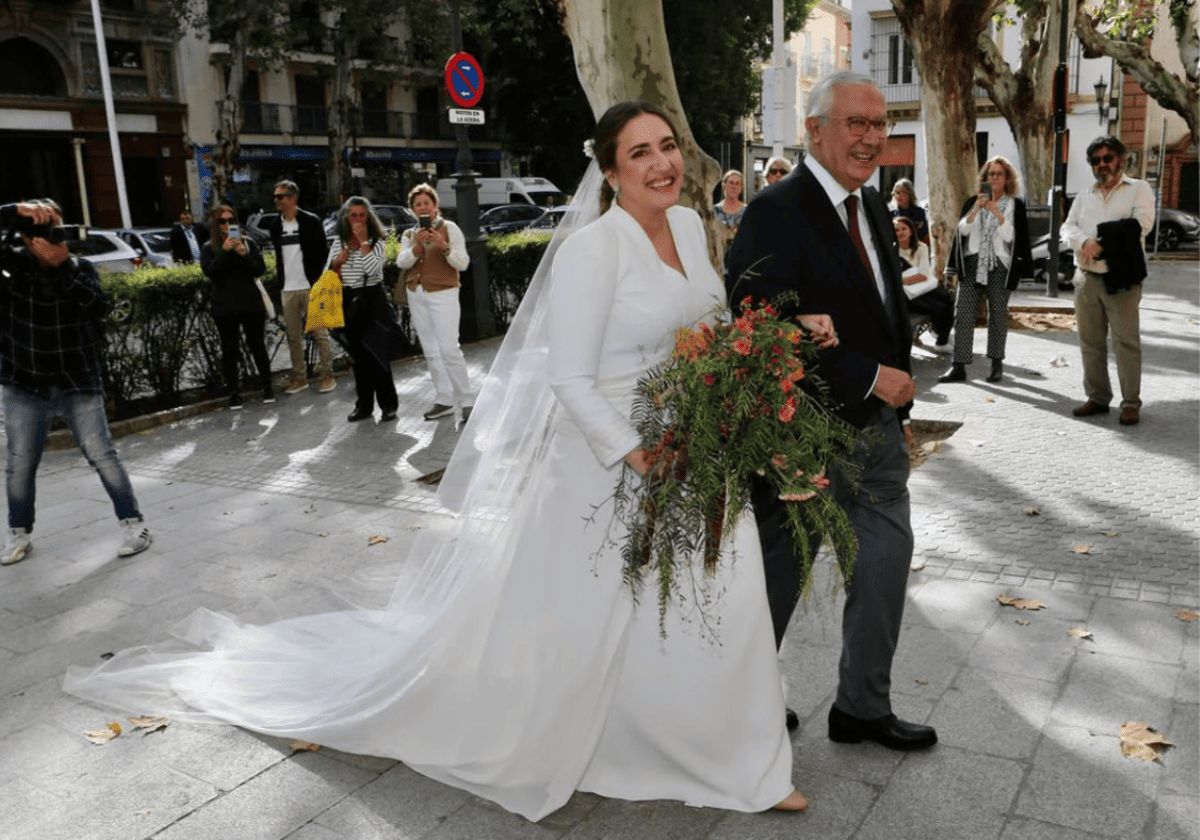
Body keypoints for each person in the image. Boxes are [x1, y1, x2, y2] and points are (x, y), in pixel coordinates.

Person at [64, 101, 813, 820]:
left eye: (668, 146)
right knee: (606, 616)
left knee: (725, 594)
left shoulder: (690, 225)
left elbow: (710, 328)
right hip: (611, 462)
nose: (661, 163)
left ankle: (741, 757)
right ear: (610, 173)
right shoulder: (591, 250)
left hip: (699, 448)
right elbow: (570, 379)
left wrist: (758, 357)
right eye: (639, 152)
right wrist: (638, 454)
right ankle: (661, 744)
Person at [727, 71, 935, 752]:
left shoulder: (873, 207)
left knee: (884, 563)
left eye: (879, 125)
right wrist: (870, 376)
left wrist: (894, 406)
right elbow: (758, 322)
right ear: (814, 131)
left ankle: (862, 707)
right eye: (856, 123)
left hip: (876, 435)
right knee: (779, 575)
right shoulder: (774, 210)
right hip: (799, 436)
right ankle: (744, 701)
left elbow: (881, 310)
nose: (872, 137)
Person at [0, 200, 152, 566]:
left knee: (101, 453)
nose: (46, 235)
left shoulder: (80, 268)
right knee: (20, 462)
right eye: (39, 228)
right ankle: (19, 533)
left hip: (76, 380)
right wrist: (16, 211)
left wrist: (61, 266)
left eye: (53, 226)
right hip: (24, 382)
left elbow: (97, 307)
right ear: (24, 234)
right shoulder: (12, 267)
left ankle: (134, 525)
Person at [1061, 136, 1155, 426]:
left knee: (1126, 342)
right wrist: (1083, 241)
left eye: (1107, 158)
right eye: (1096, 160)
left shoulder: (1138, 188)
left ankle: (1130, 403)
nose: (1102, 164)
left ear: (1120, 159)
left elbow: (1142, 224)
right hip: (1087, 278)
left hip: (1123, 279)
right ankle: (1098, 398)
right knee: (1090, 342)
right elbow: (1067, 227)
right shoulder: (1084, 194)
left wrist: (1100, 243)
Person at [938, 156, 1033, 385]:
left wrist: (996, 212)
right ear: (985, 178)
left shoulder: (1014, 205)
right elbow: (962, 231)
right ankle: (958, 366)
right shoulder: (973, 201)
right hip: (972, 263)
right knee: (964, 312)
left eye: (999, 174)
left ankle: (996, 364)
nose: (995, 178)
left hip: (999, 264)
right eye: (991, 174)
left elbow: (1011, 237)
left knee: (998, 314)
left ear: (1007, 178)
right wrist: (976, 210)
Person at [396, 185, 474, 422]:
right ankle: (444, 399)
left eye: (426, 203)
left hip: (443, 293)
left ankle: (467, 400)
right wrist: (416, 248)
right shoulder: (409, 235)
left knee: (449, 348)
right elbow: (402, 262)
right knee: (430, 349)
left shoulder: (450, 229)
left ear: (435, 205)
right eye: (417, 204)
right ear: (412, 210)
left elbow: (462, 264)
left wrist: (443, 246)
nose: (423, 208)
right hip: (416, 293)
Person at [328, 197, 399, 423]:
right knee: (359, 358)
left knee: (378, 354)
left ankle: (388, 405)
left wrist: (363, 243)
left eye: (362, 215)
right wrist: (338, 261)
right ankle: (364, 406)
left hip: (372, 301)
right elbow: (327, 273)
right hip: (350, 302)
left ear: (368, 218)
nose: (357, 219)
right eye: (353, 215)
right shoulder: (339, 242)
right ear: (346, 219)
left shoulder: (377, 240)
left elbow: (375, 268)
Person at [264, 180, 336, 396]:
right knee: (293, 336)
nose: (277, 200)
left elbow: (323, 255)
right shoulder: (275, 226)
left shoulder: (311, 222)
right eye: (275, 196)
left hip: (310, 286)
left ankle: (328, 376)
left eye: (281, 196)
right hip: (288, 288)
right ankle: (300, 378)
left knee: (320, 333)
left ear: (293, 198)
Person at [202, 204, 274, 410]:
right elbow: (211, 272)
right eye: (222, 221)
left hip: (250, 304)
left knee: (257, 346)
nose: (227, 225)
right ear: (216, 225)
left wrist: (244, 254)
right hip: (225, 308)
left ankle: (268, 387)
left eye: (231, 221)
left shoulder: (249, 243)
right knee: (229, 350)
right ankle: (234, 393)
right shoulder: (209, 248)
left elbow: (259, 270)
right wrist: (224, 252)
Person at [894, 215, 953, 347]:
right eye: (896, 230)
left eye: (904, 228)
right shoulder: (892, 251)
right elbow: (893, 279)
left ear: (911, 230)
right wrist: (911, 279)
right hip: (908, 294)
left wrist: (903, 279)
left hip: (924, 287)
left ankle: (940, 332)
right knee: (939, 308)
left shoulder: (921, 247)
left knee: (948, 299)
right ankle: (941, 342)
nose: (900, 232)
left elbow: (924, 275)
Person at [713, 169, 747, 249]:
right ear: (724, 185)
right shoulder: (714, 211)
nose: (734, 187)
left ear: (741, 187)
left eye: (737, 184)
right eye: (731, 183)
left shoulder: (747, 211)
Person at [890, 178, 929, 245]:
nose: (900, 196)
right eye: (897, 193)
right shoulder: (891, 214)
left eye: (904, 192)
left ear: (910, 194)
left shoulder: (920, 212)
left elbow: (925, 236)